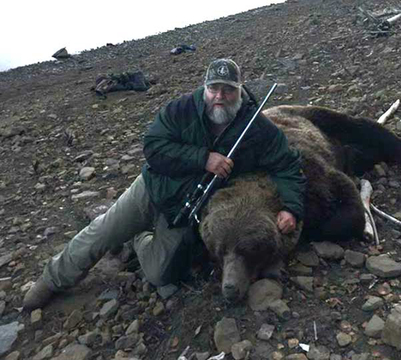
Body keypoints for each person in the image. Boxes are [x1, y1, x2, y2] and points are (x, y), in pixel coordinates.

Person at [23, 59, 306, 310]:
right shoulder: (180, 109)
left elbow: (287, 165)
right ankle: (51, 281)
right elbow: (153, 148)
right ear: (205, 88)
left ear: (240, 90)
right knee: (102, 232)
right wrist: (202, 159)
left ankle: (138, 238)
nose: (219, 96)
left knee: (161, 274)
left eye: (228, 89)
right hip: (152, 187)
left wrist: (292, 208)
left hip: (187, 208)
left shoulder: (257, 128)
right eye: (213, 88)